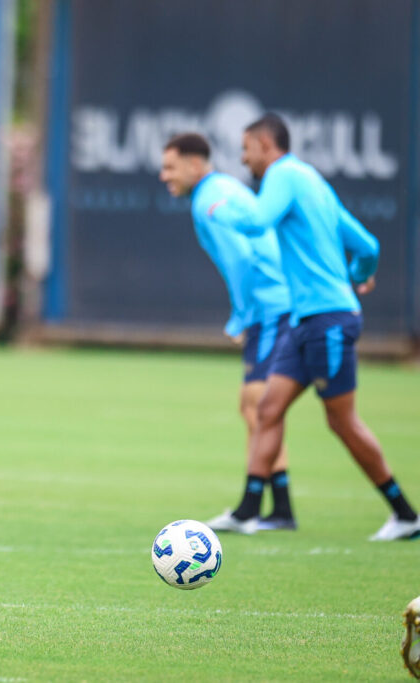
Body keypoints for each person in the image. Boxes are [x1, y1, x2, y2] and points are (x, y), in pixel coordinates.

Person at [206, 113, 419, 541]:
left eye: (246, 149)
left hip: (327, 322)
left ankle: (406, 514)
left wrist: (222, 209)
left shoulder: (283, 175)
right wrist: (360, 273)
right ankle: (249, 510)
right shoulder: (315, 184)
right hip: (305, 321)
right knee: (268, 409)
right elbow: (368, 245)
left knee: (342, 421)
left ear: (266, 145)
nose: (244, 159)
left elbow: (257, 221)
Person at [159, 133, 296, 531]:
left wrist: (242, 316)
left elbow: (241, 260)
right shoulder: (225, 187)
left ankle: (257, 508)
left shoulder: (207, 199)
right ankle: (276, 507)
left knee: (257, 404)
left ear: (195, 164)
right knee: (259, 406)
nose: (164, 175)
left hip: (270, 307)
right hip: (277, 302)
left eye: (170, 167)